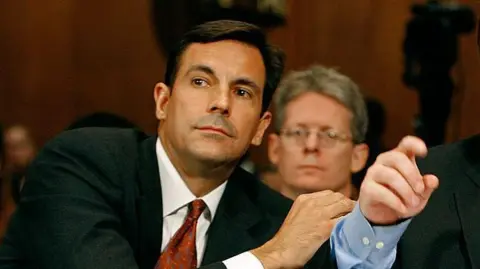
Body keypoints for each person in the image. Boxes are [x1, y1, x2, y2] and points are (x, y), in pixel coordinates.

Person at [0, 20, 436, 269]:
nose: (221, 103)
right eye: (200, 81)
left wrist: (375, 224)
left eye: (244, 92)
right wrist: (270, 258)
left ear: (262, 128)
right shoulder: (81, 163)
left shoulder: (273, 217)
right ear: (163, 101)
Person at [267, 65, 369, 200]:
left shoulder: (375, 220)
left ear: (357, 157)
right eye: (298, 133)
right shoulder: (239, 218)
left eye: (330, 135)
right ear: (274, 148)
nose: (311, 146)